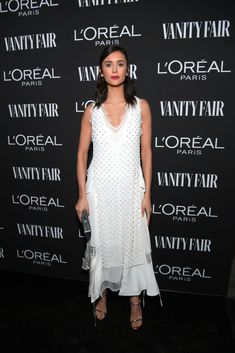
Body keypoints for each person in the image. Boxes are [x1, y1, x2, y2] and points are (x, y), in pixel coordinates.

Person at [75, 45, 161, 330]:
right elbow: (81, 154)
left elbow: (146, 152)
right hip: (99, 190)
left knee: (132, 245)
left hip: (130, 189)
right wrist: (81, 196)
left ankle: (135, 300)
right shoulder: (92, 111)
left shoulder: (141, 107)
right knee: (104, 244)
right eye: (109, 64)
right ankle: (102, 294)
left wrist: (147, 193)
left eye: (120, 64)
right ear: (101, 71)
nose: (114, 69)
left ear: (127, 69)